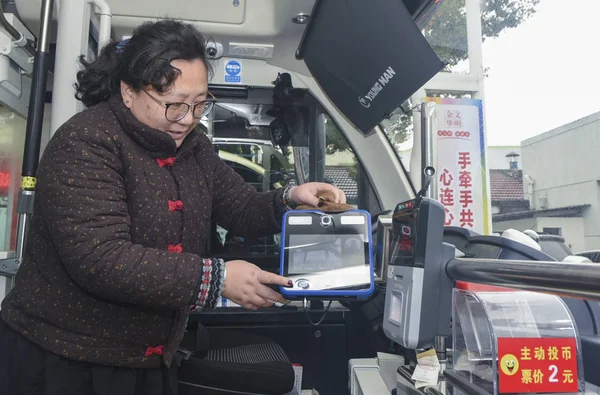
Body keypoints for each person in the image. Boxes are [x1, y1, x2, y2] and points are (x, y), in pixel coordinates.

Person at [0, 19, 346, 395]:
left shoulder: (196, 147)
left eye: (199, 104)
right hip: (66, 360)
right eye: (174, 105)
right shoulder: (87, 141)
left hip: (150, 356)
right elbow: (101, 259)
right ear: (128, 92)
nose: (187, 120)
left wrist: (290, 198)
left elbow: (242, 207)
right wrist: (217, 280)